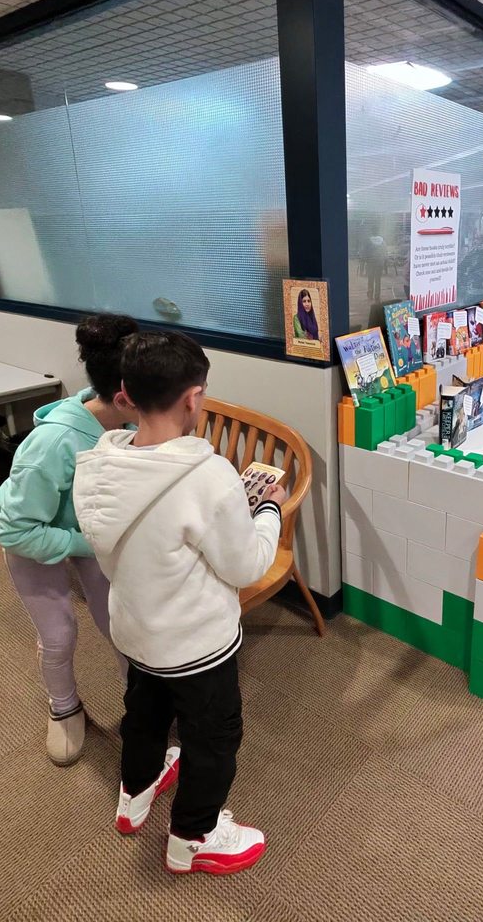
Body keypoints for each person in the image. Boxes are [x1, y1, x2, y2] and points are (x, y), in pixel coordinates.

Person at [73, 331, 287, 876]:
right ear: (194, 399)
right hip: (196, 645)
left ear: (125, 393)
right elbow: (245, 566)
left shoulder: (97, 466)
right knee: (213, 737)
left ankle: (134, 796)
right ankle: (195, 836)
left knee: (144, 716)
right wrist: (268, 513)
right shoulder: (207, 476)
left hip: (136, 632)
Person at [0, 314, 139, 766]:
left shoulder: (127, 424)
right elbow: (16, 530)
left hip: (87, 531)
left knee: (120, 624)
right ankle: (64, 708)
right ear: (126, 396)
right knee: (58, 634)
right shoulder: (52, 445)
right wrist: (84, 543)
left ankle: (143, 707)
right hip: (31, 535)